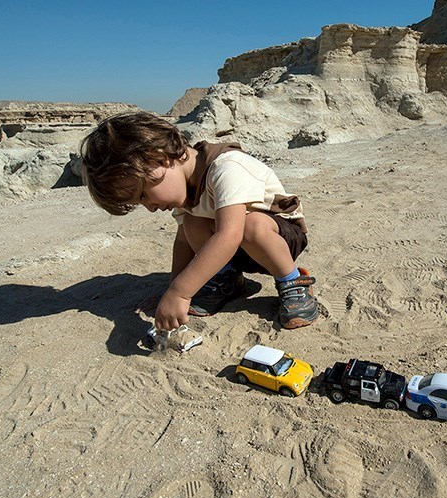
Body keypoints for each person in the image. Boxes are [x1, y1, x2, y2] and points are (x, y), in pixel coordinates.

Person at [79, 111, 318, 332]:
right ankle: (227, 280)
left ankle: (293, 282)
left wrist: (180, 293)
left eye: (143, 195)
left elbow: (229, 235)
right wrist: (170, 288)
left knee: (248, 224)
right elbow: (184, 241)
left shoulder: (226, 167)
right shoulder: (186, 191)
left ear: (160, 160)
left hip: (281, 240)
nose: (150, 208)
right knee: (192, 224)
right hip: (239, 248)